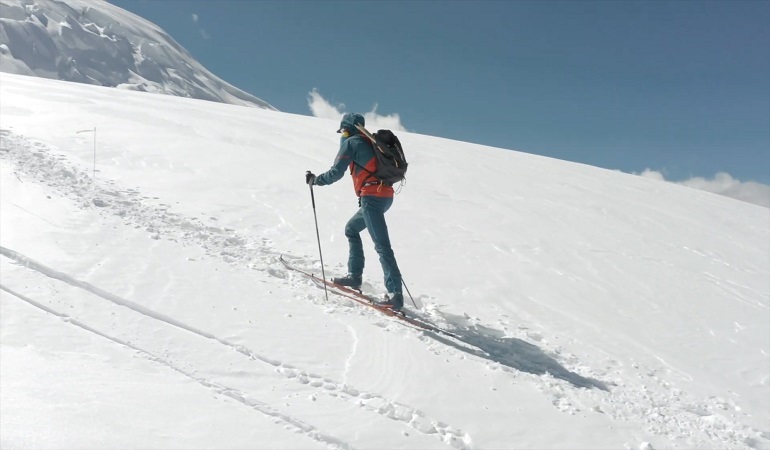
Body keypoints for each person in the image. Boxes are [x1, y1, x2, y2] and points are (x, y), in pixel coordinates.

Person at [305, 113, 404, 310]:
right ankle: (354, 276)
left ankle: (395, 296)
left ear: (347, 128)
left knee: (382, 246)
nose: (341, 134)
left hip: (372, 198)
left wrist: (315, 180)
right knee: (351, 229)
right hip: (384, 196)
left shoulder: (352, 143)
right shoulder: (372, 142)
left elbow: (336, 172)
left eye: (342, 130)